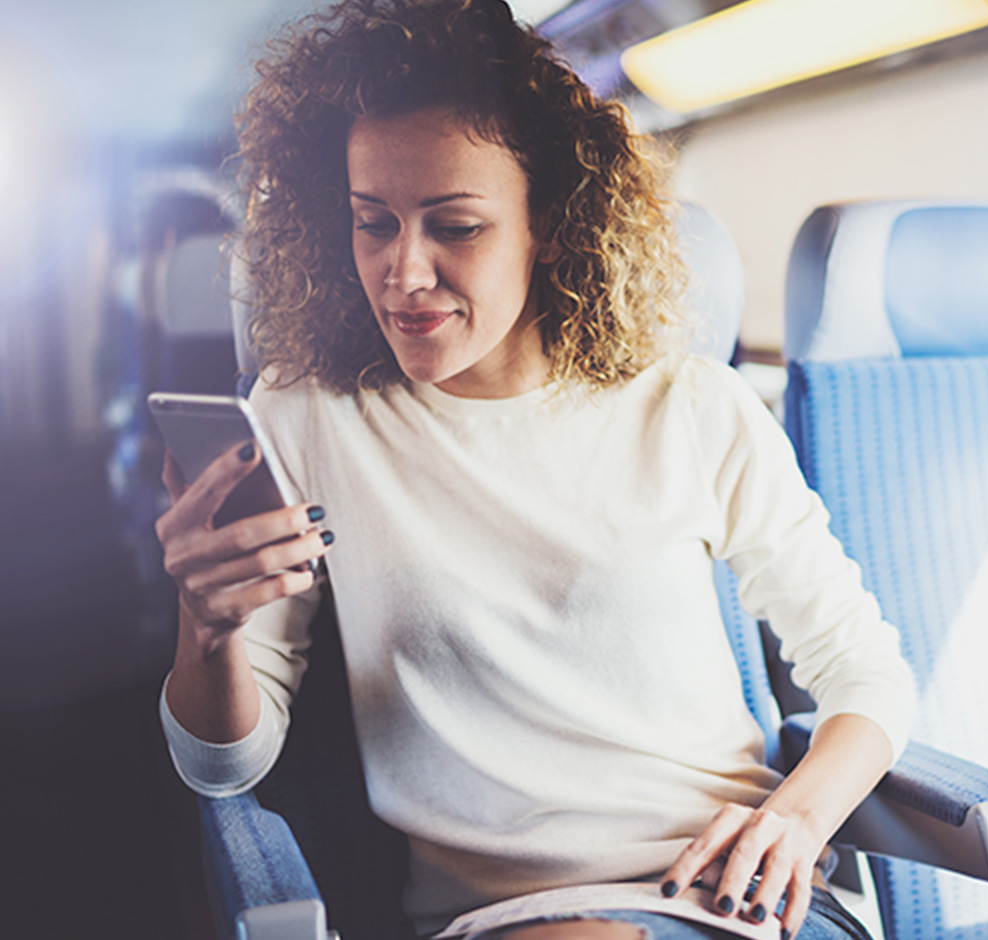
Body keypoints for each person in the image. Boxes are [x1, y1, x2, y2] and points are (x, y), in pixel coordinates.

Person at [155, 2, 916, 939]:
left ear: (549, 225)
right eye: (372, 223)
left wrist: (795, 818)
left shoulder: (691, 407)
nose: (404, 272)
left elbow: (867, 672)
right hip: (519, 917)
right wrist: (210, 629)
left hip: (740, 895)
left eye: (456, 227)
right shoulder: (304, 418)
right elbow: (225, 768)